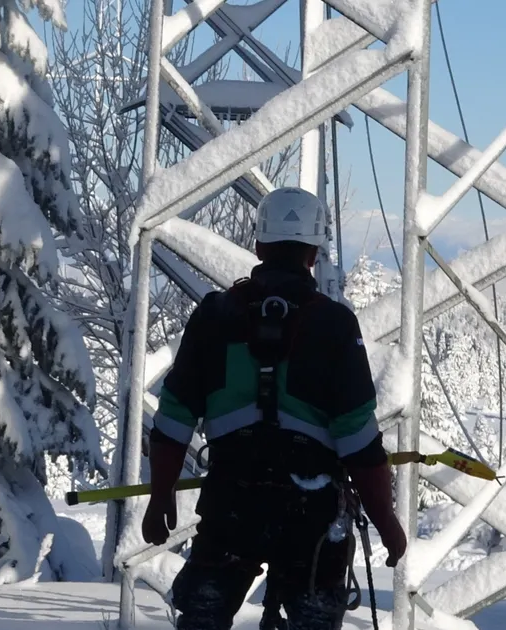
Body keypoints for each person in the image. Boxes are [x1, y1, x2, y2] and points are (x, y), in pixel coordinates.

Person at [141, 187, 408, 630]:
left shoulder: (214, 316)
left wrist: (160, 497)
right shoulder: (334, 326)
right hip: (311, 512)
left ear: (259, 245)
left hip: (231, 502)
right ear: (314, 251)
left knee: (203, 615)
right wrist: (385, 521)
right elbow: (359, 441)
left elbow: (173, 421)